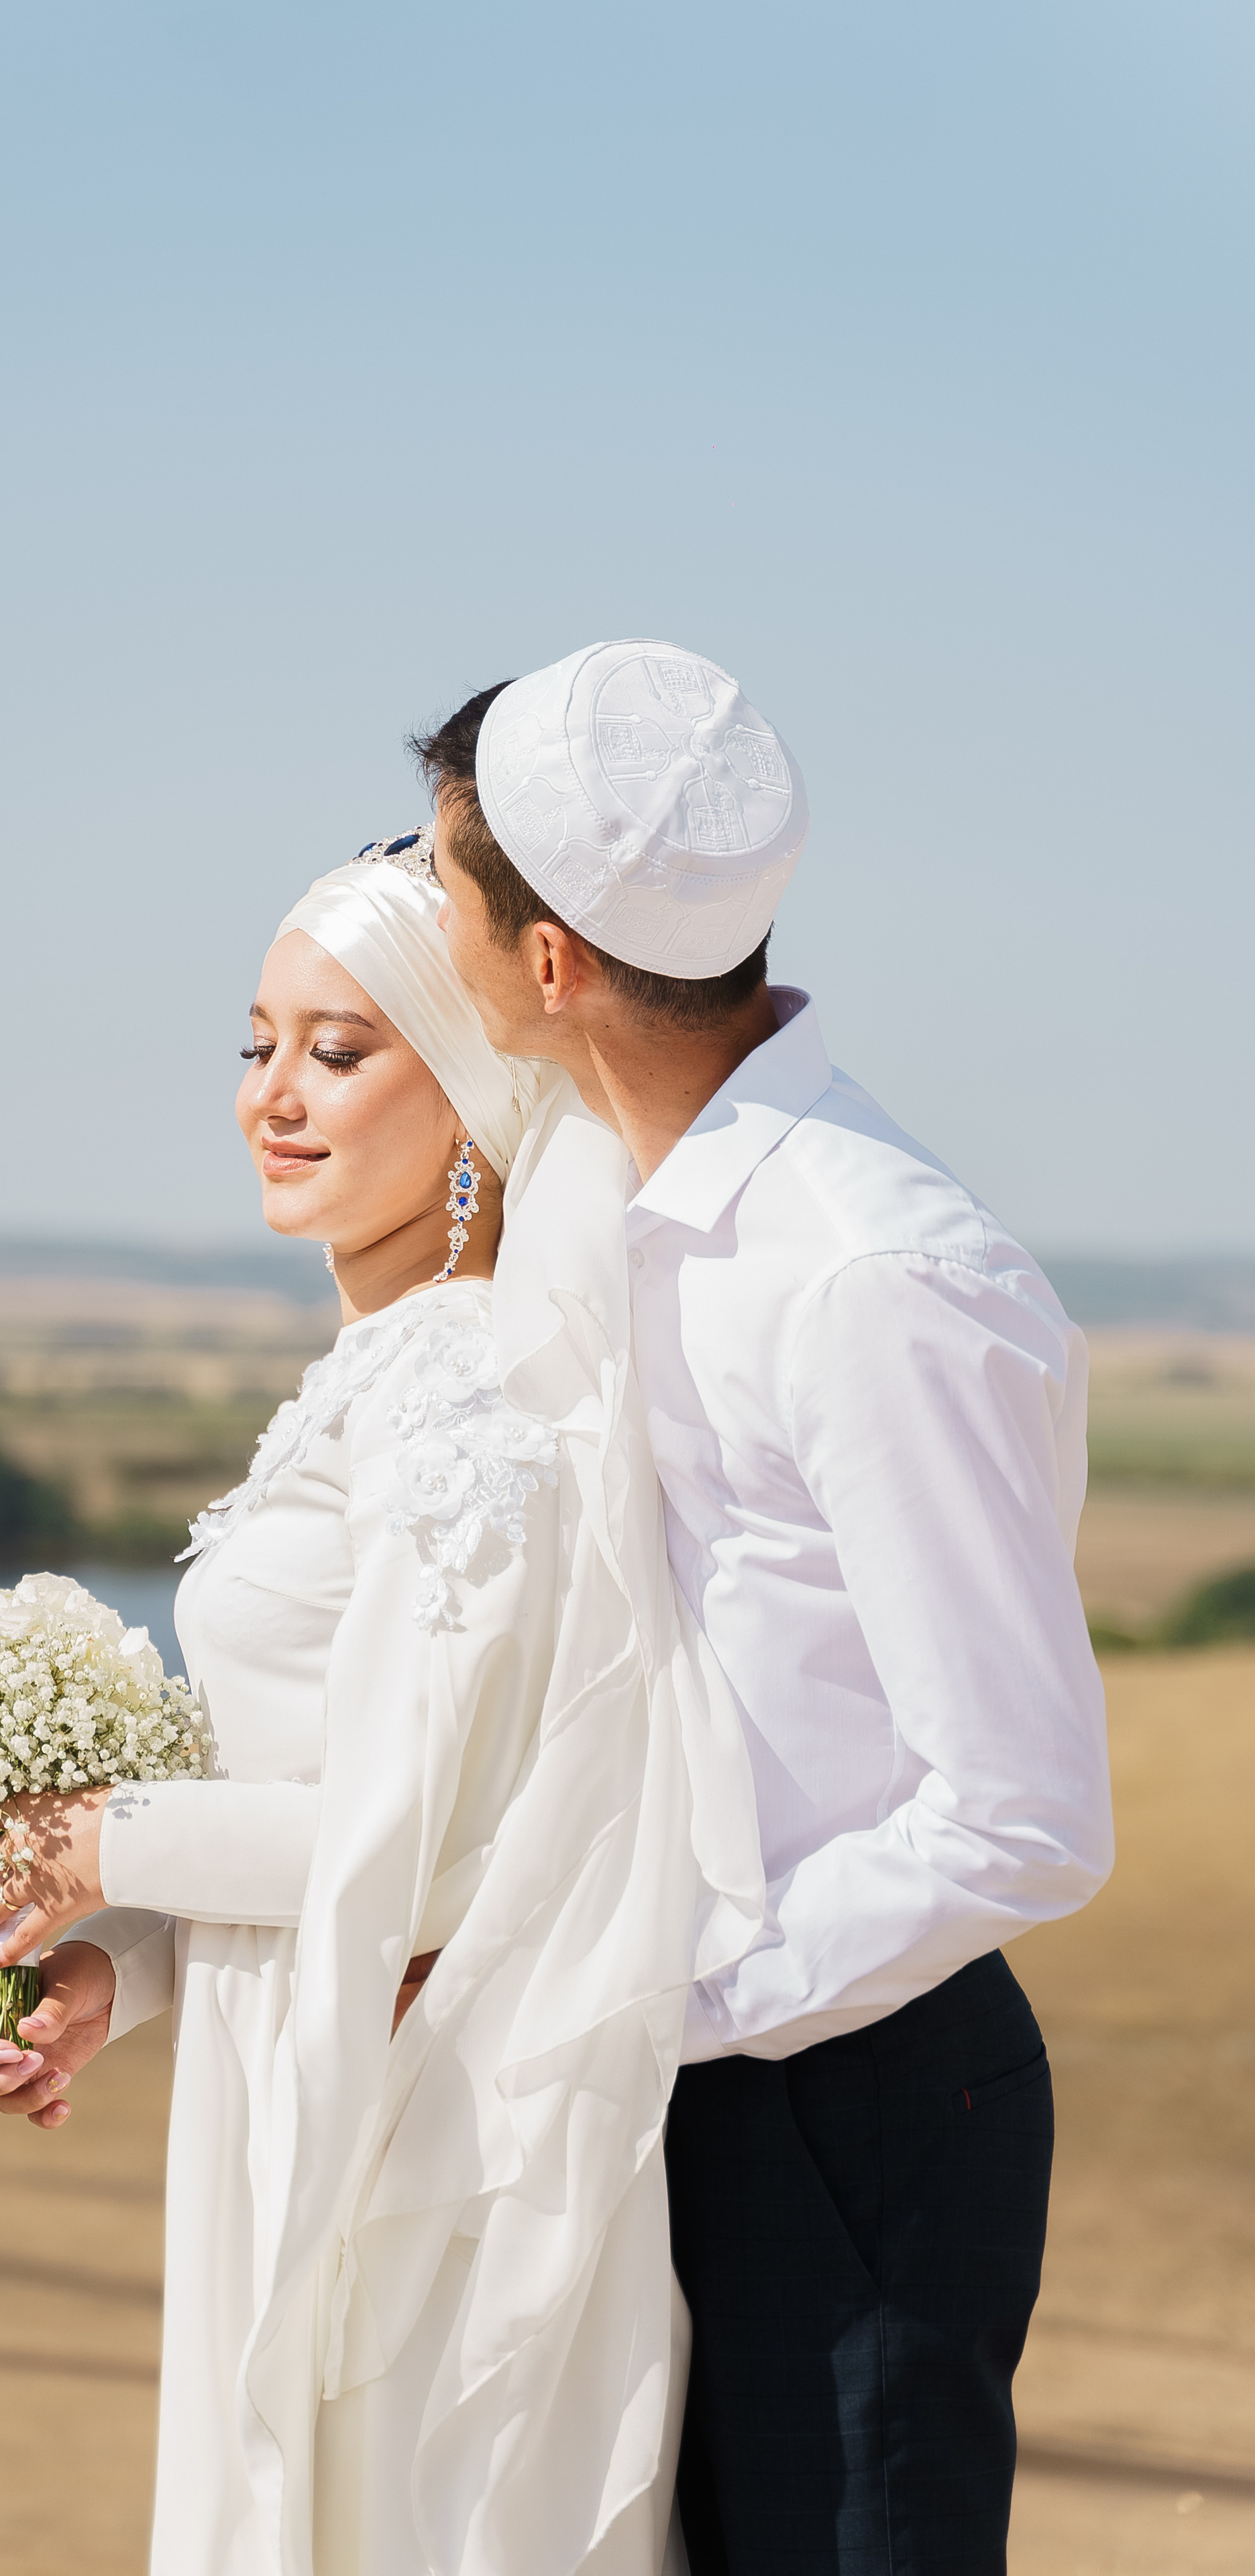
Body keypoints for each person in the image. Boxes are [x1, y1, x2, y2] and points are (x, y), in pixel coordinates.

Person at [0, 835, 768, 2576]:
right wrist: (132, 1966)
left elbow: (459, 1853)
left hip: (397, 2131)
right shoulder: (376, 1368)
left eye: (342, 1049)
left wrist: (106, 1835)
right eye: (256, 1045)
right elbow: (345, 1786)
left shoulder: (456, 1379)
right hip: (286, 2067)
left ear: (468, 1085)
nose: (275, 1097)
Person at [417, 639, 1116, 2575]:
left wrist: (659, 2001)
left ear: (548, 965)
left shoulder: (866, 1275)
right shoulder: (632, 1194)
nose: (420, 906)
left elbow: (1025, 1817)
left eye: (440, 875)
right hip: (708, 2073)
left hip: (851, 2097)